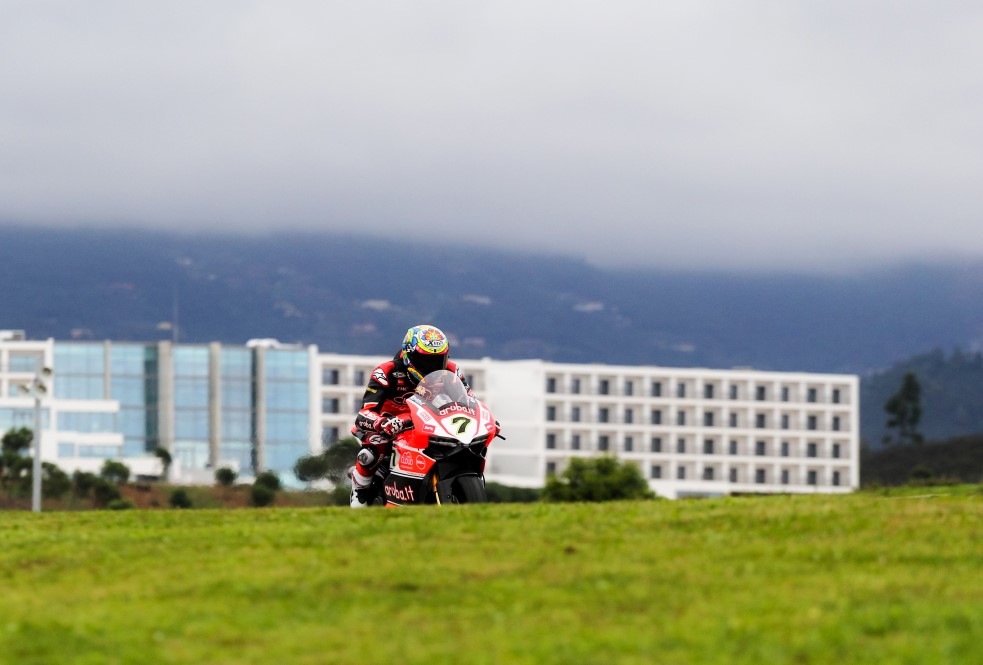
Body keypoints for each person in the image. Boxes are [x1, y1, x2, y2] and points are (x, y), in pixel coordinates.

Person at [349, 324, 471, 508]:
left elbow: (468, 401)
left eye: (438, 360)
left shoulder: (453, 371)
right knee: (373, 450)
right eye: (425, 360)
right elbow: (364, 413)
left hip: (429, 422)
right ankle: (360, 491)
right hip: (388, 425)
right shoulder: (386, 371)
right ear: (408, 355)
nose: (432, 367)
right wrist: (383, 423)